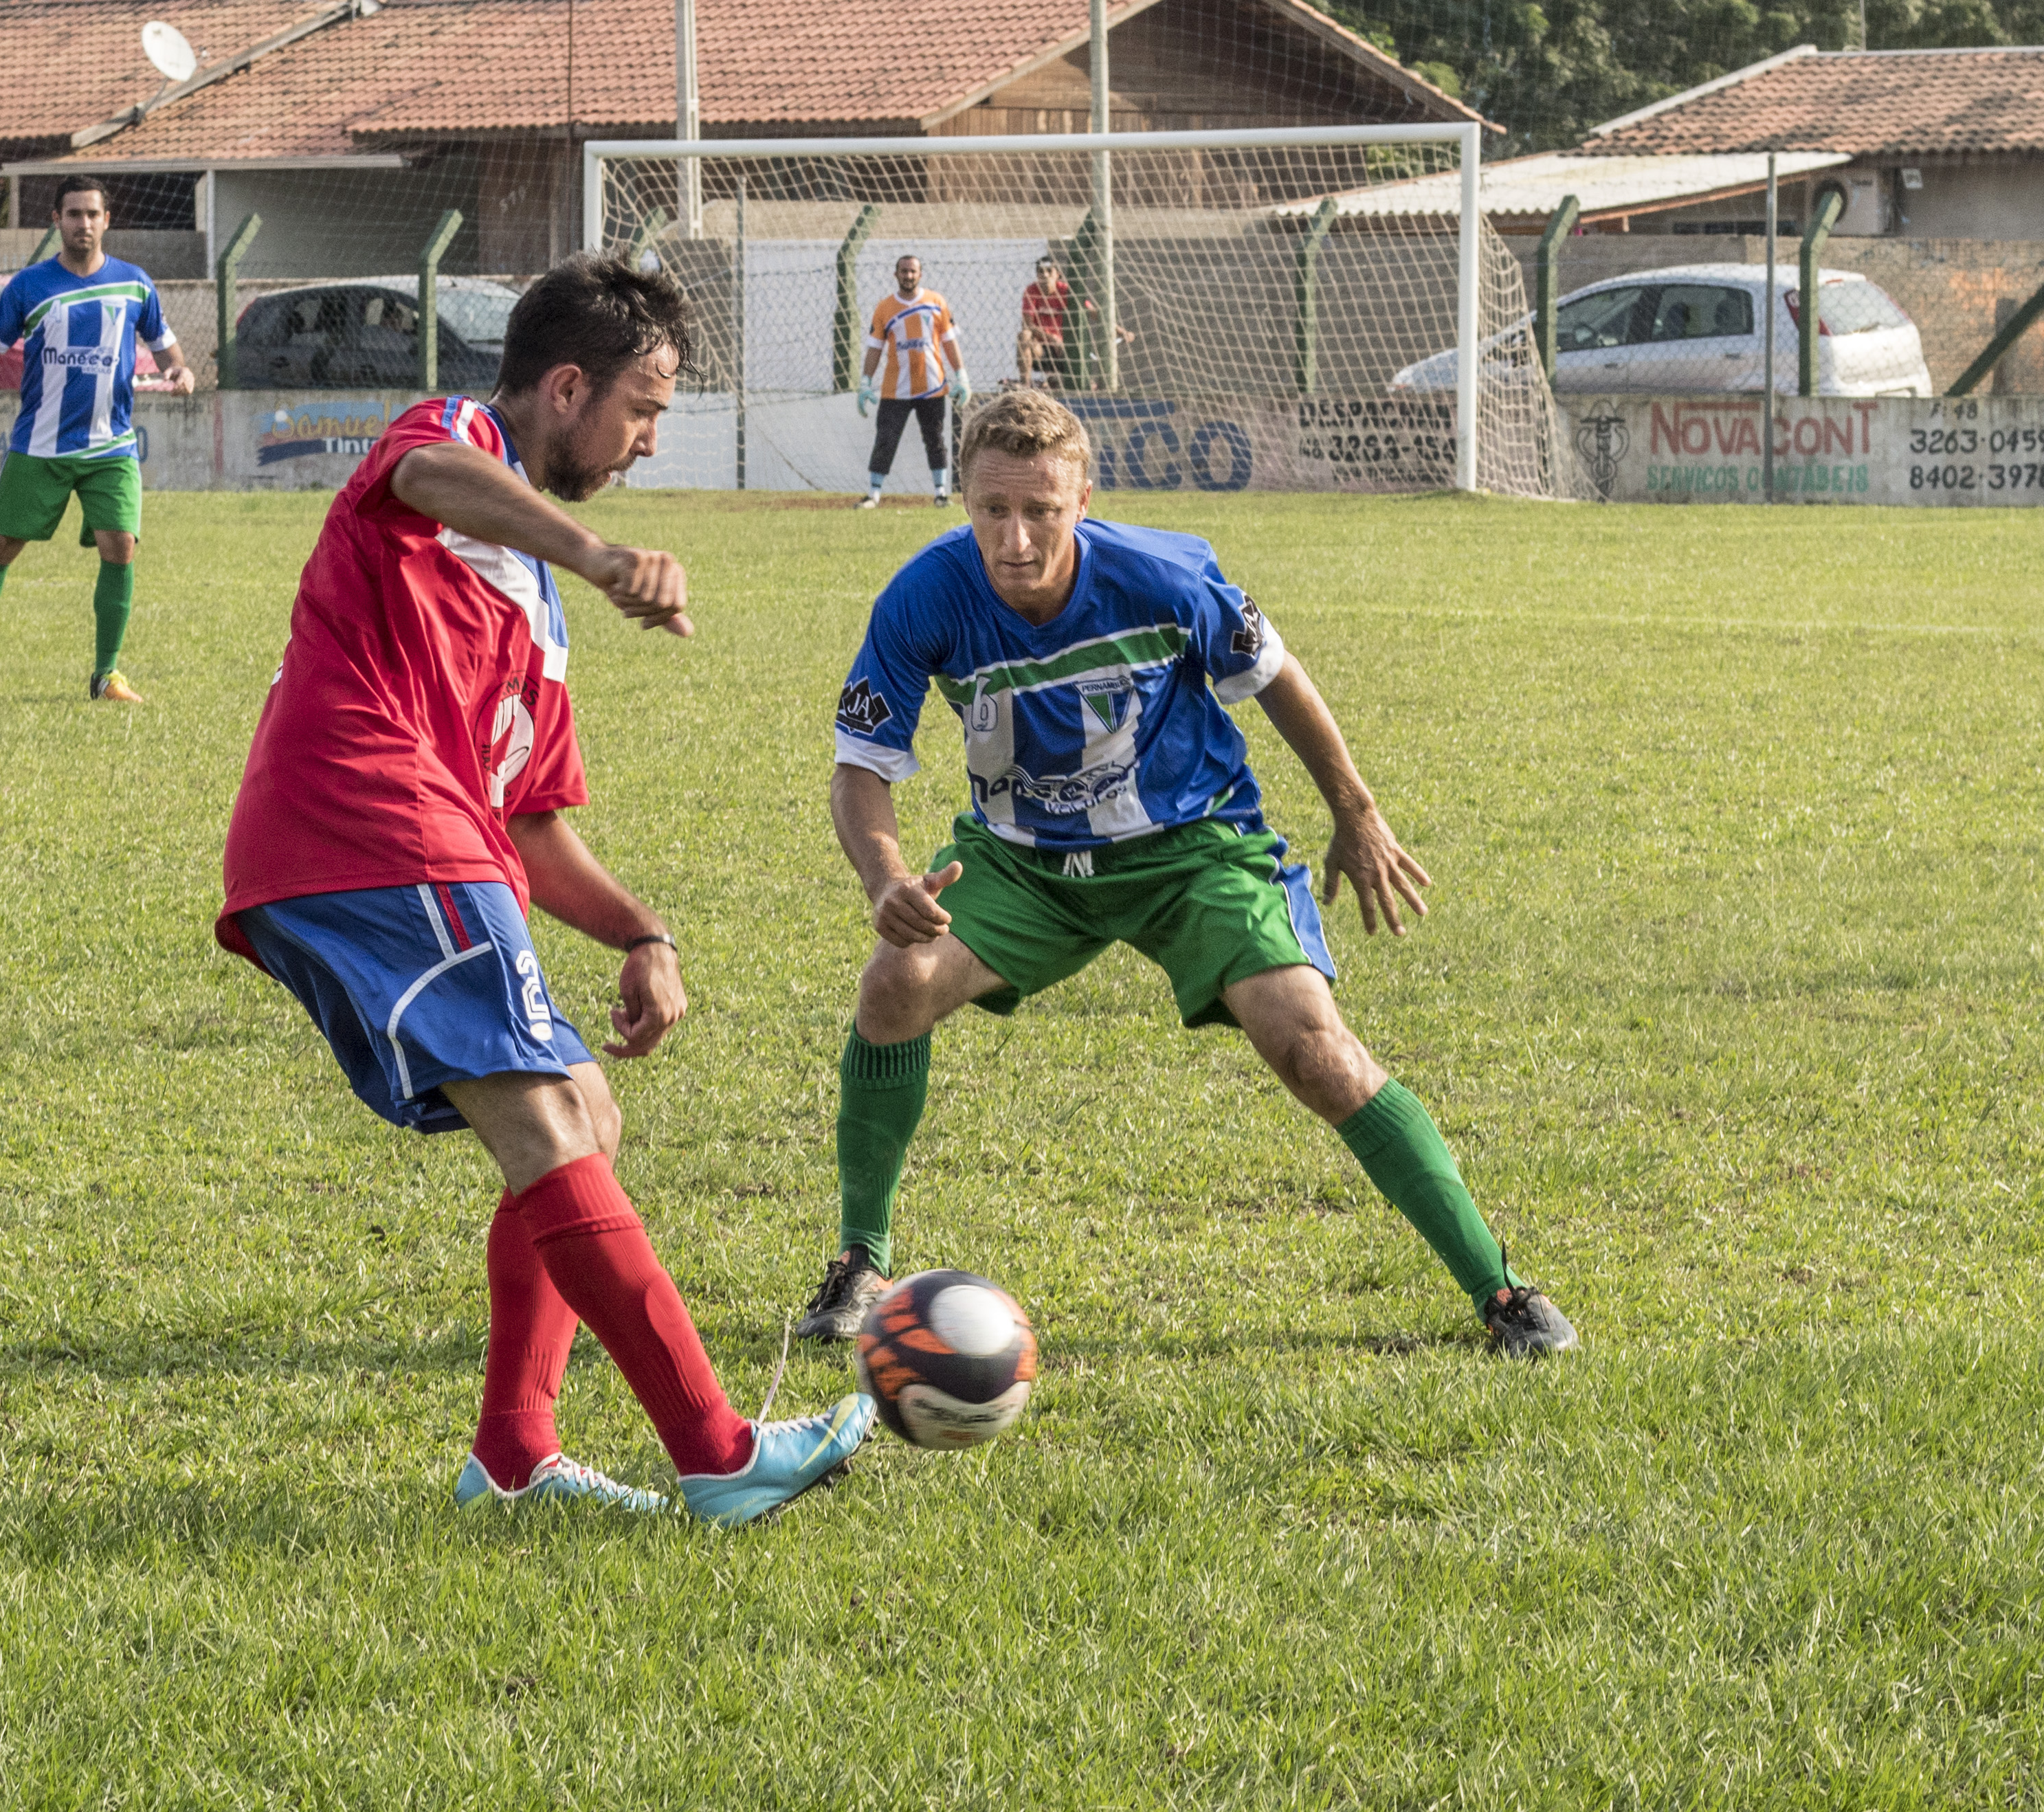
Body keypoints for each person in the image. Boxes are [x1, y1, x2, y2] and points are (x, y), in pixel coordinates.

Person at [216, 252, 874, 1526]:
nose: (645, 442)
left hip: (417, 847)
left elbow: (531, 830)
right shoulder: (458, 440)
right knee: (548, 1127)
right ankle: (718, 1452)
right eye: (642, 408)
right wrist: (595, 550)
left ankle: (513, 1455)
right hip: (370, 825)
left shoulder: (536, 617)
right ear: (564, 388)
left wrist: (642, 931)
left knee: (582, 1113)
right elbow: (419, 473)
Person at [795, 388, 1578, 1359]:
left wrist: (1354, 811)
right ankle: (859, 1262)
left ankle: (1500, 1294)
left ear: (1081, 497)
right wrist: (884, 880)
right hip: (1025, 863)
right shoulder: (921, 597)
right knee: (892, 983)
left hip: (1193, 850)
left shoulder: (1164, 577)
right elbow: (859, 769)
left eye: (1040, 510)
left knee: (1313, 1051)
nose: (1015, 537)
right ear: (962, 500)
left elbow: (1278, 676)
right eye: (992, 510)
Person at [0, 175, 193, 705]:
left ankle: (106, 675)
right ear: (56, 221)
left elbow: (169, 350)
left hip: (111, 447)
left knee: (120, 546)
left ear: (107, 220)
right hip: (39, 445)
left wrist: (182, 373)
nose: (83, 224)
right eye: (73, 214)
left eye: (92, 214)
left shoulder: (135, 284)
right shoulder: (29, 285)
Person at [855, 254, 968, 510]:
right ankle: (874, 494)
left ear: (920, 274)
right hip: (896, 389)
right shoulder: (885, 307)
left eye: (913, 271)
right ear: (895, 274)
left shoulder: (936, 302)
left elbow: (950, 342)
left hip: (933, 387)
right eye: (904, 271)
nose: (908, 276)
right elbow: (875, 348)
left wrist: (961, 375)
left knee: (935, 439)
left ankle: (940, 493)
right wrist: (865, 382)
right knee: (885, 439)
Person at [1014, 254, 1131, 388]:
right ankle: (1025, 384)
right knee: (1024, 335)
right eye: (1041, 272)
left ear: (1057, 274)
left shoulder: (1065, 291)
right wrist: (1051, 338)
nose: (1045, 276)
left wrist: (1121, 331)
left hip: (1065, 347)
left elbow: (1093, 313)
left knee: (1079, 345)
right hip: (1041, 348)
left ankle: (1082, 382)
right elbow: (1028, 325)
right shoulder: (1031, 291)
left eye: (1049, 271)